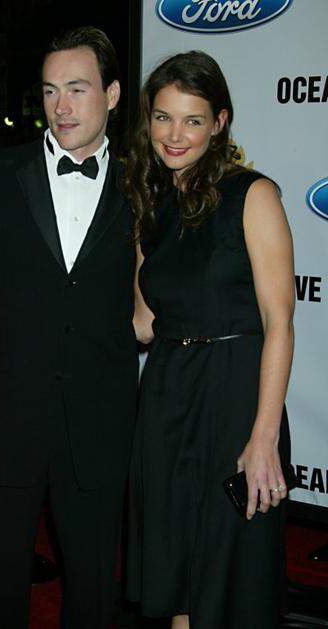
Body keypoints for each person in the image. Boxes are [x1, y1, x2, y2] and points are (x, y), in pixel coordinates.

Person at [0, 26, 139, 629]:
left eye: (77, 89)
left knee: (94, 596)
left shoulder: (145, 188)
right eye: (49, 91)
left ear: (112, 94)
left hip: (99, 429)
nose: (60, 107)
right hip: (5, 422)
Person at [125, 51, 295, 629]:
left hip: (233, 395)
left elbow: (279, 321)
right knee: (176, 567)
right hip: (167, 395)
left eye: (192, 120)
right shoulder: (151, 206)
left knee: (227, 570)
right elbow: (142, 323)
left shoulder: (253, 194)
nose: (174, 135)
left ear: (220, 123)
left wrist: (264, 438)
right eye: (163, 117)